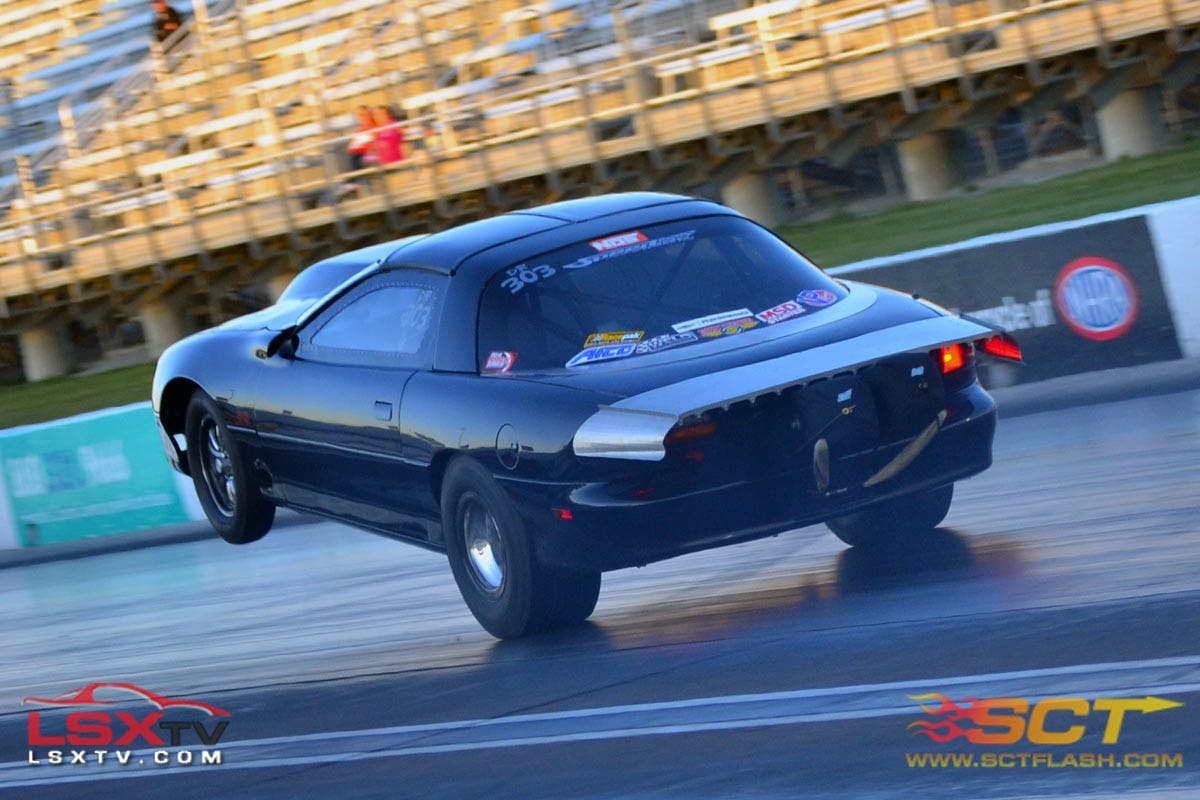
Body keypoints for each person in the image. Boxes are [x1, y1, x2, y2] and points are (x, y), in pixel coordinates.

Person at [346, 106, 374, 172]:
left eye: (363, 114)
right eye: (359, 116)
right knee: (353, 156)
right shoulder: (358, 130)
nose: (362, 118)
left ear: (369, 114)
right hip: (361, 154)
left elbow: (373, 137)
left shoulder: (375, 125)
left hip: (371, 153)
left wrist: (360, 139)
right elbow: (351, 148)